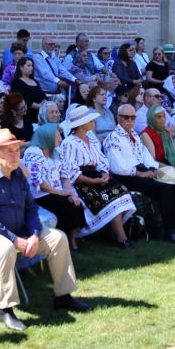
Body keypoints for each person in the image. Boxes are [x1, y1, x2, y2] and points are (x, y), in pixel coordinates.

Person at [0, 129, 88, 333]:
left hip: (17, 230)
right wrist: (16, 240)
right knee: (3, 247)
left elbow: (30, 208)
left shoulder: (18, 174)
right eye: (10, 151)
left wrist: (34, 234)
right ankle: (6, 310)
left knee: (57, 238)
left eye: (17, 150)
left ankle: (63, 296)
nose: (16, 155)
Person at [106, 103, 175, 242]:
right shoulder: (113, 138)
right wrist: (141, 174)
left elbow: (146, 156)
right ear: (118, 117)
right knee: (165, 188)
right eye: (125, 117)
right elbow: (118, 167)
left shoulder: (134, 135)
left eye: (132, 117)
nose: (129, 120)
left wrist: (154, 169)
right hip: (128, 177)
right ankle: (170, 231)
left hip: (145, 171)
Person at [56, 105, 135, 245]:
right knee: (111, 198)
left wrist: (104, 173)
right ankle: (121, 238)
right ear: (82, 124)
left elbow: (102, 160)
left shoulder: (92, 140)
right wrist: (94, 181)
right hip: (81, 181)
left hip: (96, 175)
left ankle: (114, 232)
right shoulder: (69, 143)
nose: (93, 122)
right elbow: (70, 172)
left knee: (122, 191)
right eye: (90, 120)